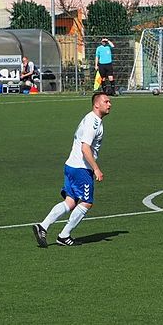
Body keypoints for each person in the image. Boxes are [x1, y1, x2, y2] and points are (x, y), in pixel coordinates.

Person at [32, 92, 112, 247]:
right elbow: (85, 148)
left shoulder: (91, 119)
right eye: (106, 101)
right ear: (96, 104)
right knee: (87, 202)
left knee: (70, 202)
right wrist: (96, 169)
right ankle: (64, 235)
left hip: (71, 165)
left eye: (109, 101)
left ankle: (43, 226)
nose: (109, 104)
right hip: (81, 168)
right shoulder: (93, 123)